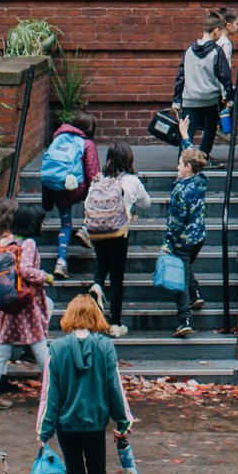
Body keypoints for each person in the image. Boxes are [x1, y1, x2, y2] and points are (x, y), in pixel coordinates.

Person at [37, 292, 134, 474]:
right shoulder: (105, 347)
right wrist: (123, 422)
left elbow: (50, 395)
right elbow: (115, 387)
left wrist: (44, 432)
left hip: (66, 427)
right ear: (95, 316)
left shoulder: (56, 349)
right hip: (94, 426)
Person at [0, 200, 53, 409]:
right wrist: (45, 277)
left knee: (3, 347)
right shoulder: (28, 244)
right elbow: (26, 270)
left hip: (8, 303)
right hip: (25, 304)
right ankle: (55, 388)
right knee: (39, 344)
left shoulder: (6, 242)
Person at [83, 143, 152, 335]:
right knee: (116, 276)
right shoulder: (132, 180)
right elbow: (147, 203)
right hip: (118, 232)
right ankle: (115, 324)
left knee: (102, 264)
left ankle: (97, 285)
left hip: (97, 230)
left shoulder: (100, 179)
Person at [41, 112, 101, 276]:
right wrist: (96, 192)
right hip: (77, 187)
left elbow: (48, 168)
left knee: (65, 226)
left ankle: (60, 263)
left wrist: (47, 200)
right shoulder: (87, 144)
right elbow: (92, 173)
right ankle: (85, 228)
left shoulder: (58, 139)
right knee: (96, 198)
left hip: (58, 187)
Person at [163, 147, 209, 336]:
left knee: (179, 277)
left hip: (183, 239)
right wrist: (184, 136)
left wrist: (168, 243)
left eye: (180, 164)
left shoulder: (180, 191)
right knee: (186, 265)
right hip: (199, 236)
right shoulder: (201, 180)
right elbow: (196, 156)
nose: (177, 167)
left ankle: (185, 319)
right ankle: (196, 292)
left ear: (188, 167)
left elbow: (176, 222)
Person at [173, 14, 235, 157]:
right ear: (216, 31)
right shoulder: (216, 51)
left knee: (187, 132)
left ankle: (183, 163)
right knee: (210, 127)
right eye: (220, 31)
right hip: (210, 99)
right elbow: (224, 75)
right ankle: (204, 156)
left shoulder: (189, 50)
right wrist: (229, 97)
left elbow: (181, 76)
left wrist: (177, 100)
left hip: (190, 99)